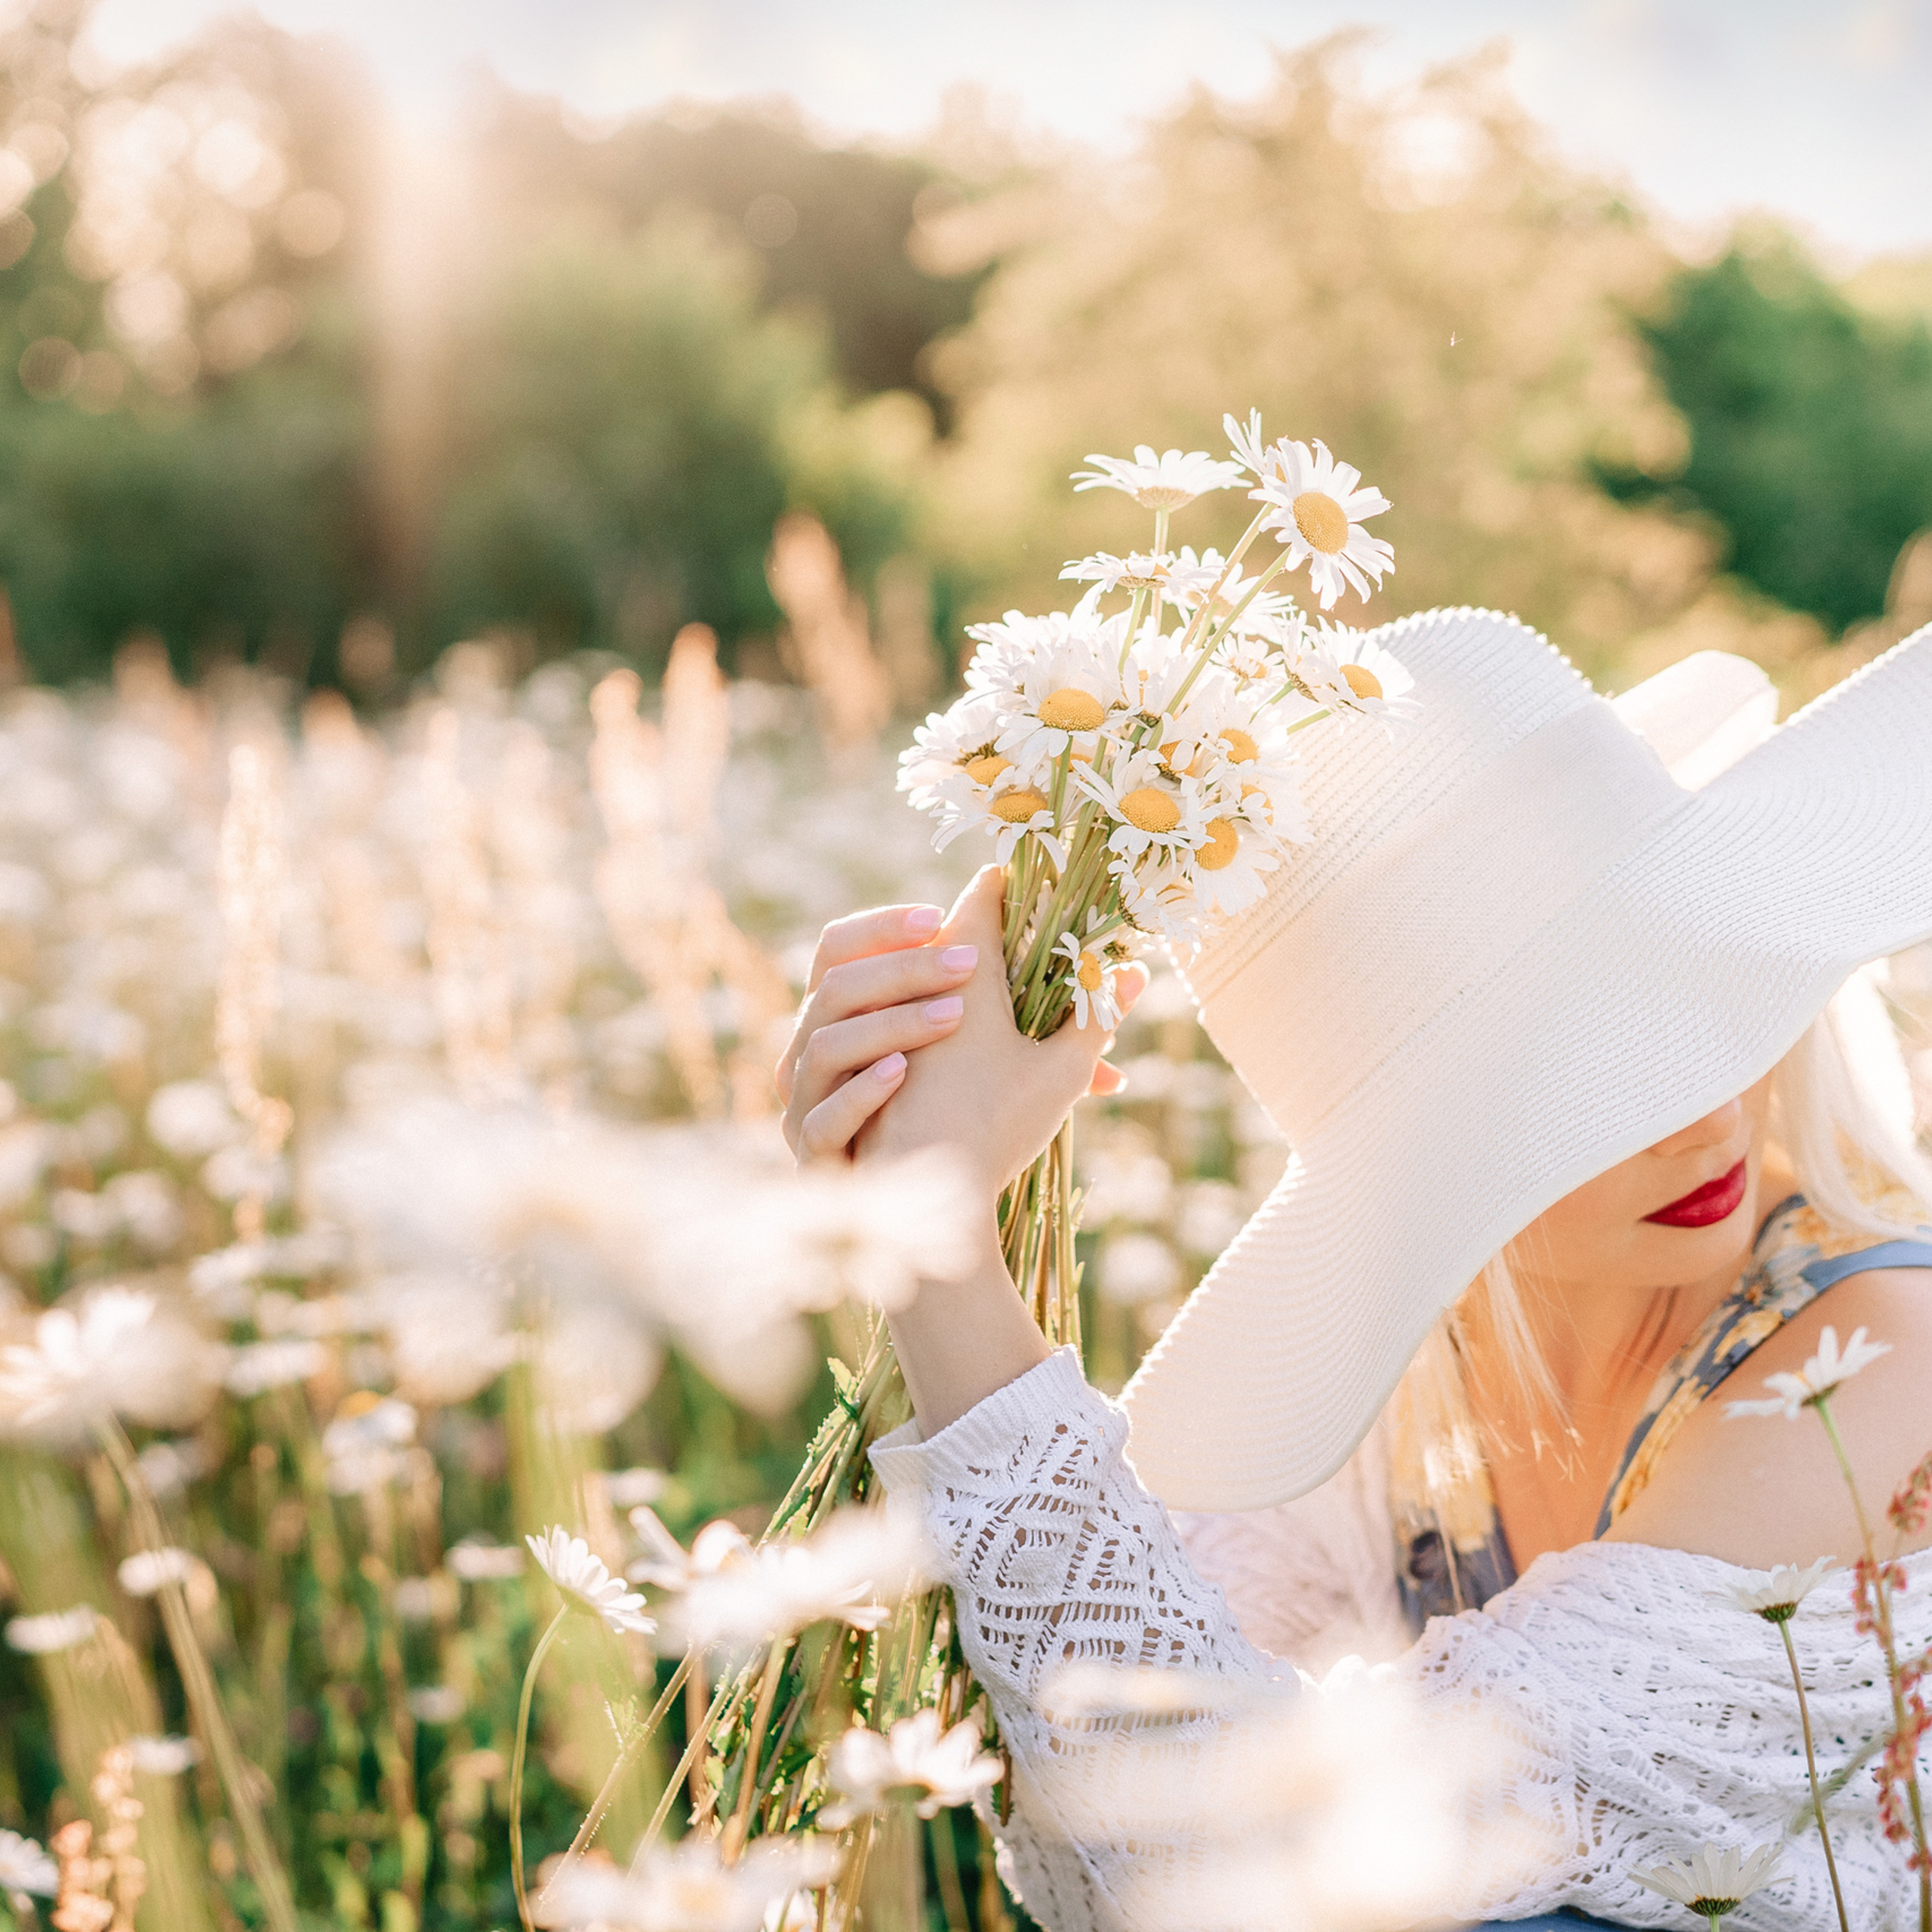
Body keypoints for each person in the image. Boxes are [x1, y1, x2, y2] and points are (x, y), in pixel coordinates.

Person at [777, 609, 1932, 1930]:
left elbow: (1252, 1856)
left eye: (1701, 979)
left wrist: (936, 1259)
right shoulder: (1401, 1397)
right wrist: (924, 1207)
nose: (1709, 1108)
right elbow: (1132, 1822)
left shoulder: (1882, 1362)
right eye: (1591, 1060)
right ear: (1411, 1152)